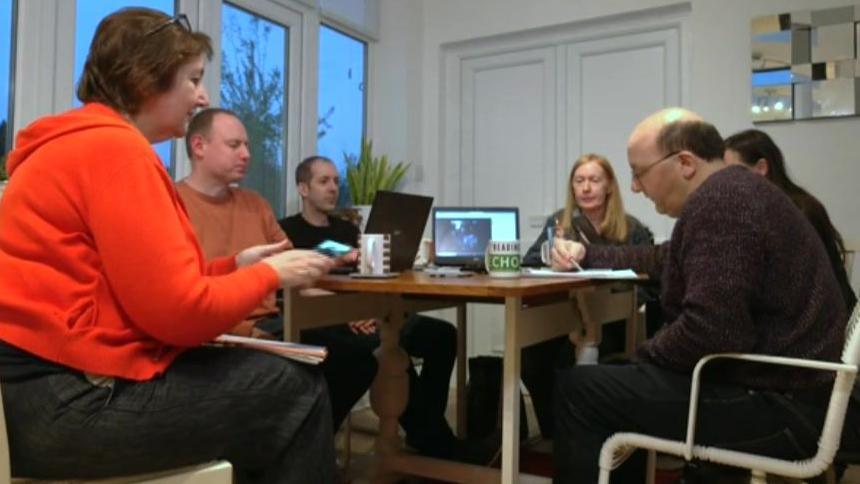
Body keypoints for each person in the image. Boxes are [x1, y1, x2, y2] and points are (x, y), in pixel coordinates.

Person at [0, 9, 336, 483]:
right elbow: (179, 315)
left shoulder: (72, 144)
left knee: (262, 377)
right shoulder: (117, 153)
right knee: (296, 390)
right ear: (145, 81)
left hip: (40, 398)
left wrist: (232, 267)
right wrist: (272, 275)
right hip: (73, 407)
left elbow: (132, 288)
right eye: (193, 79)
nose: (202, 96)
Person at [550, 108, 847, 483]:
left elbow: (711, 331)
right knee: (614, 380)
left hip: (780, 406)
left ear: (685, 162)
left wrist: (638, 360)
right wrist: (587, 252)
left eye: (639, 172)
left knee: (581, 389)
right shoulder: (733, 192)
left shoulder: (724, 204)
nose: (636, 187)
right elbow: (662, 258)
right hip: (792, 390)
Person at [176, 107, 376, 435]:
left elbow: (295, 271)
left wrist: (346, 307)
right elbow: (183, 292)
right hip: (220, 330)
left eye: (248, 145)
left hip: (274, 322)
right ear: (199, 147)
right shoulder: (173, 203)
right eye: (234, 145)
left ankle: (314, 448)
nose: (247, 154)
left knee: (358, 360)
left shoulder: (256, 204)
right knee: (324, 368)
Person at [280, 155, 461, 460]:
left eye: (336, 181)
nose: (333, 188)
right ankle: (437, 443)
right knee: (385, 352)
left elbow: (367, 276)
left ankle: (425, 429)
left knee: (442, 336)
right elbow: (292, 289)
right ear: (303, 188)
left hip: (369, 314)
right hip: (326, 319)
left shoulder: (348, 231)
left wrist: (371, 311)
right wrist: (351, 311)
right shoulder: (286, 231)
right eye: (323, 181)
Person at [520, 153, 655, 440]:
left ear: (609, 187)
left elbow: (651, 286)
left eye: (594, 180)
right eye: (579, 181)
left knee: (571, 360)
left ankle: (586, 435)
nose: (586, 188)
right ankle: (554, 433)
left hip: (613, 322)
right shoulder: (558, 222)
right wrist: (551, 263)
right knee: (529, 357)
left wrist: (615, 301)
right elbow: (529, 264)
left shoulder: (632, 229)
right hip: (561, 318)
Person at [724, 128, 856, 310]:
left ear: (761, 168)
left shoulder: (798, 213)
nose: (724, 182)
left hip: (821, 325)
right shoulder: (771, 210)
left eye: (732, 173)